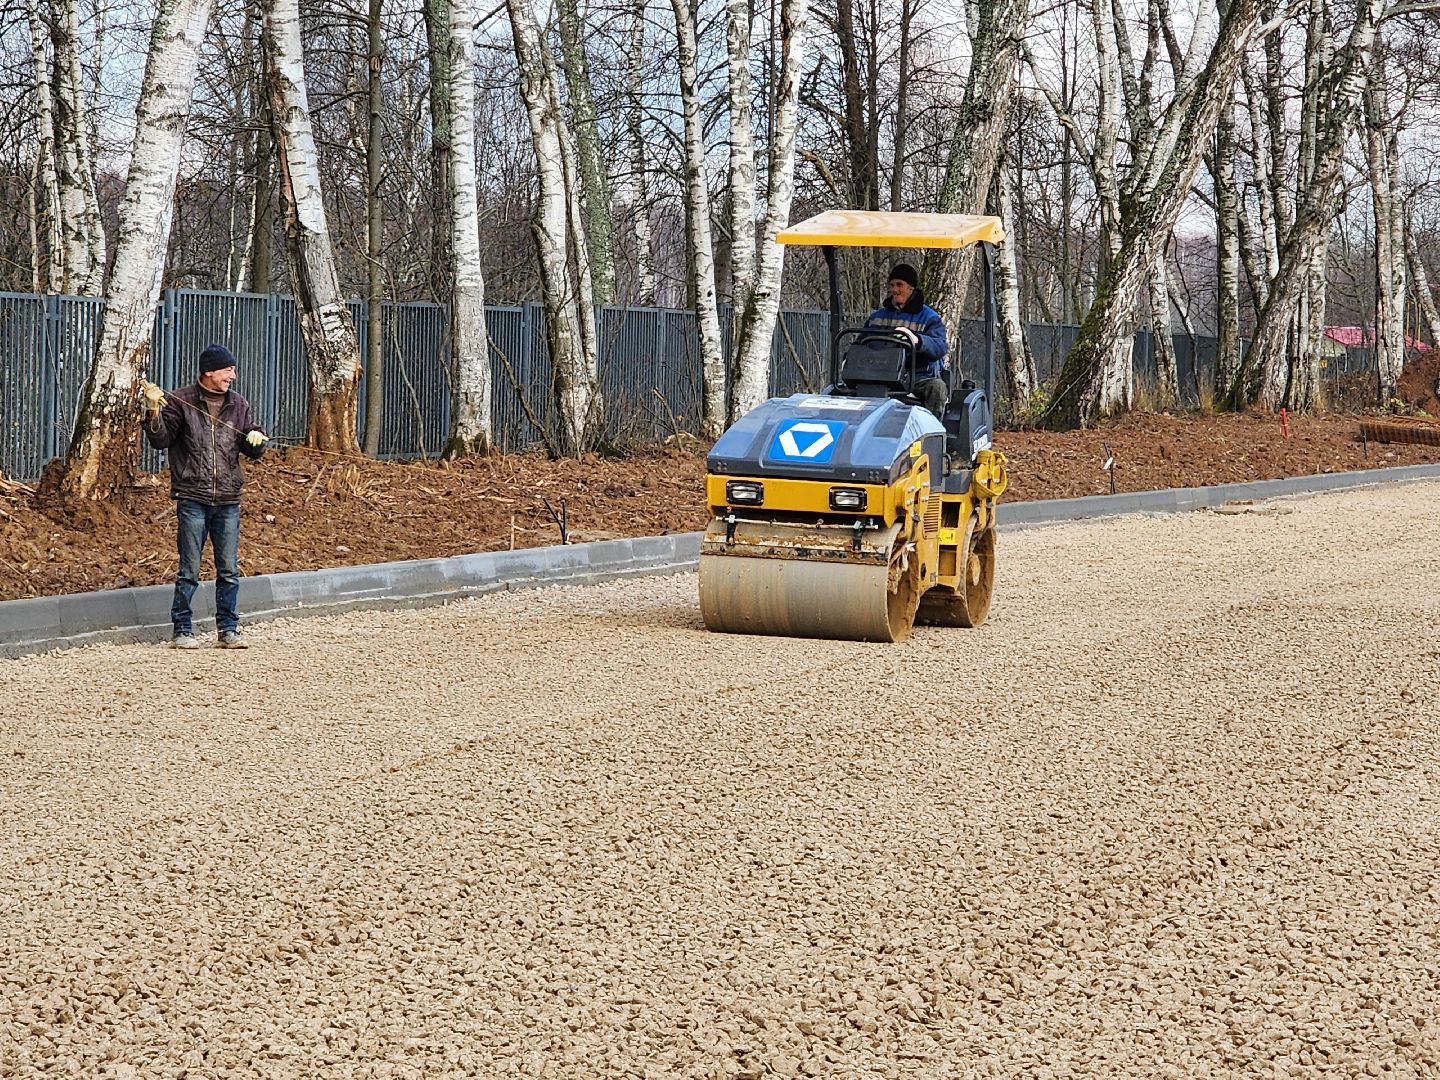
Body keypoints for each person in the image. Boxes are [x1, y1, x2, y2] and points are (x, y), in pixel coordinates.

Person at [141, 344, 268, 650]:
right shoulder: (180, 401)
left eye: (233, 371)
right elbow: (160, 440)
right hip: (192, 497)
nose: (233, 377)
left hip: (228, 499)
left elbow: (253, 446)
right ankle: (182, 630)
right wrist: (153, 410)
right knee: (189, 570)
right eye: (228, 371)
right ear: (209, 371)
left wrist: (257, 441)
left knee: (228, 570)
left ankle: (228, 629)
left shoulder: (239, 405)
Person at [867, 262, 950, 417]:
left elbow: (939, 347)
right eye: (892, 285)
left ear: (911, 288)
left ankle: (934, 431)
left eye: (900, 285)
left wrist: (917, 340)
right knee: (841, 388)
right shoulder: (877, 317)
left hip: (916, 377)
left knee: (937, 387)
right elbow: (861, 343)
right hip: (878, 375)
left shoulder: (929, 318)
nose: (895, 289)